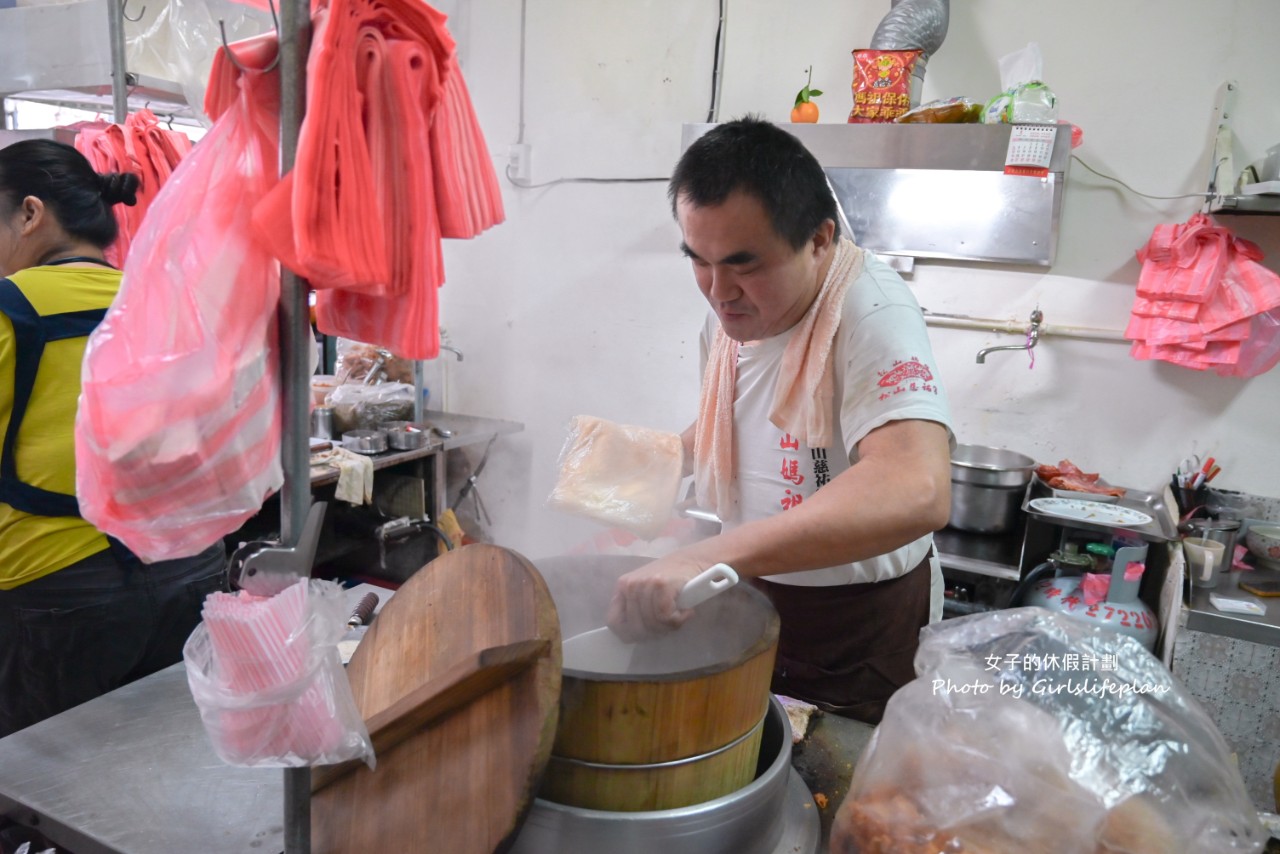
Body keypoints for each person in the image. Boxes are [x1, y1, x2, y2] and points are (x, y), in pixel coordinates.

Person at [607, 116, 954, 724]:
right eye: (699, 260)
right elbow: (739, 419)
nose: (719, 292)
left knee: (837, 788)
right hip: (750, 593)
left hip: (857, 622)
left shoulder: (870, 310)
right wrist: (653, 468)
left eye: (745, 265)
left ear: (820, 240)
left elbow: (916, 487)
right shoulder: (730, 314)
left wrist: (706, 558)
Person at [0, 139, 226, 738]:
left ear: (29, 213)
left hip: (60, 590)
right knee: (161, 763)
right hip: (190, 570)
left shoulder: (9, 309)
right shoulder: (166, 300)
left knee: (45, 794)